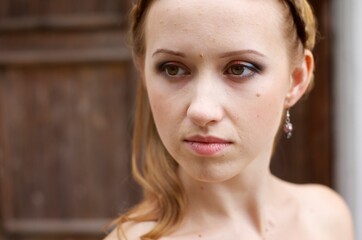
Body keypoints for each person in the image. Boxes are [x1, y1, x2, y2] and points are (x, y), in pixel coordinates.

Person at [105, 0, 355, 239]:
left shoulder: (326, 218)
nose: (202, 110)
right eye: (173, 68)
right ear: (144, 74)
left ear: (296, 79)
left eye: (240, 69)